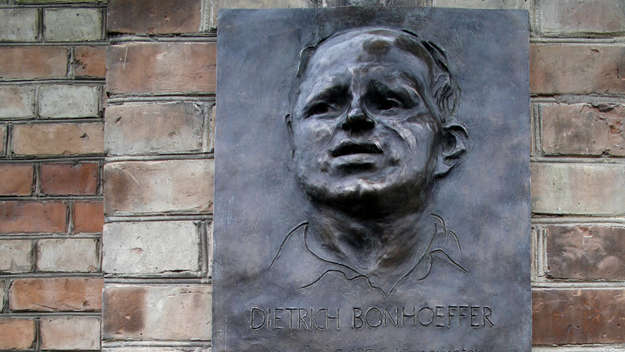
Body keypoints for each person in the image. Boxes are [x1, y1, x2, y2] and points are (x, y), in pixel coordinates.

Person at [269, 26, 469, 296]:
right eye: (325, 106)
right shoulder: (259, 285)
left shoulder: (484, 278)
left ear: (447, 145)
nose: (355, 117)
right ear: (292, 142)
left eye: (389, 102)